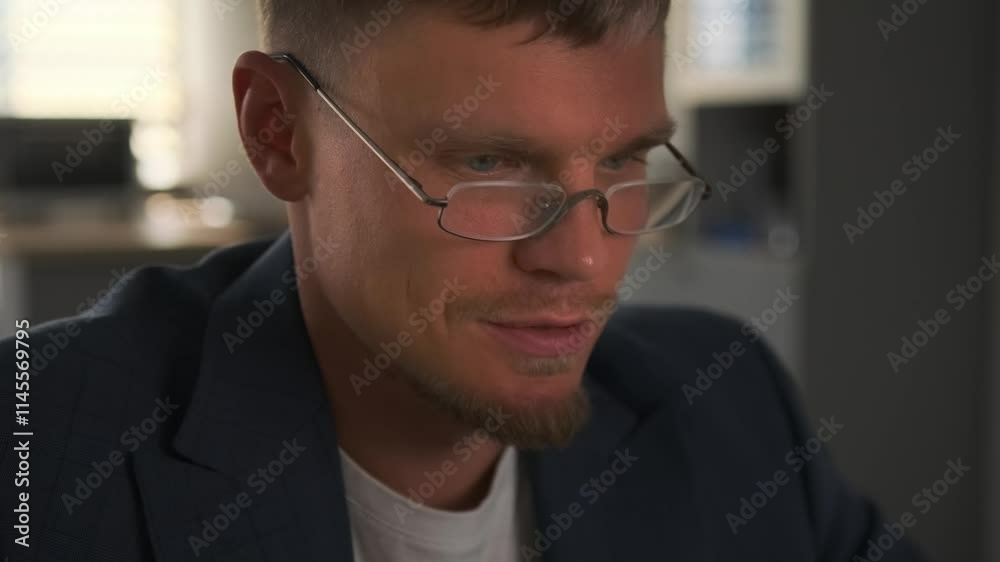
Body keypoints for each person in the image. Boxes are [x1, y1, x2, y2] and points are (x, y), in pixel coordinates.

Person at [0, 1, 929, 560]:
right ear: (278, 132)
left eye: (623, 161)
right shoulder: (41, 453)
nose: (582, 260)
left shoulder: (730, 406)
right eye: (491, 163)